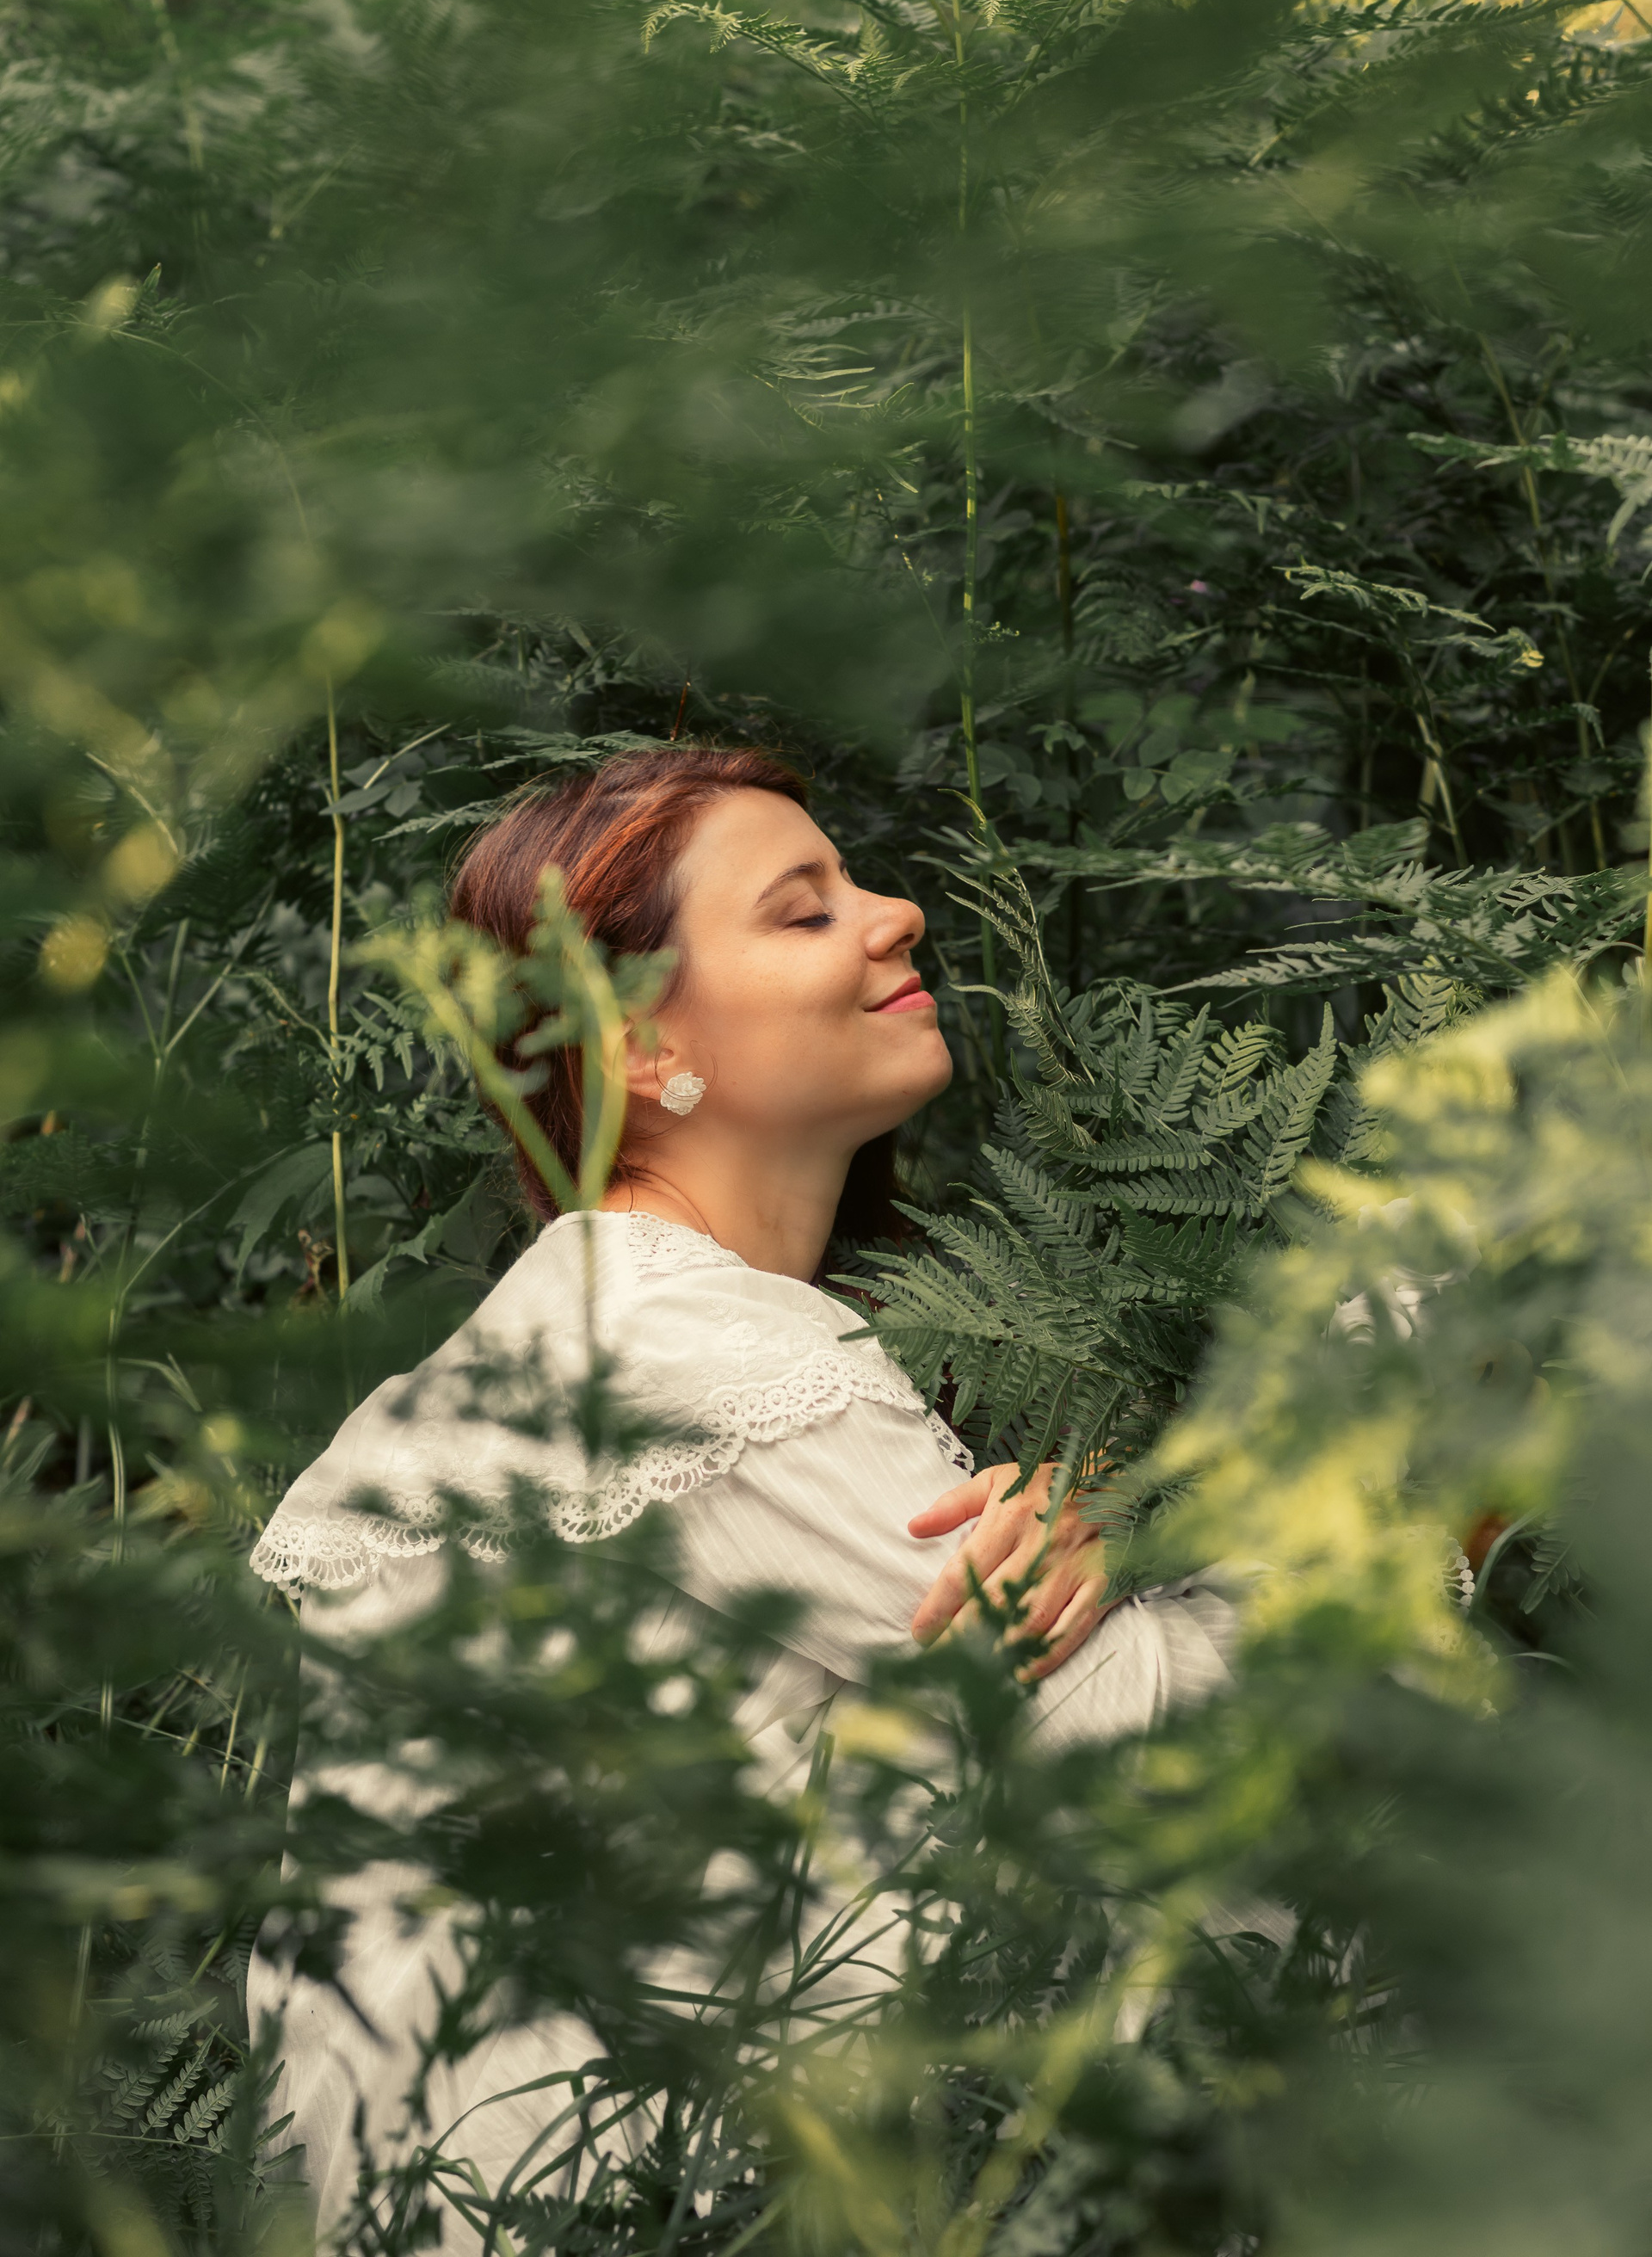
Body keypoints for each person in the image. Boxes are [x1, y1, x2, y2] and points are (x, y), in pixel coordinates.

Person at [246, 748, 1232, 2236]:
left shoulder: (598, 1322)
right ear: (643, 1048)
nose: (898, 915)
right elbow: (1142, 1725)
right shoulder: (692, 1351)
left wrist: (1110, 1499)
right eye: (804, 911)